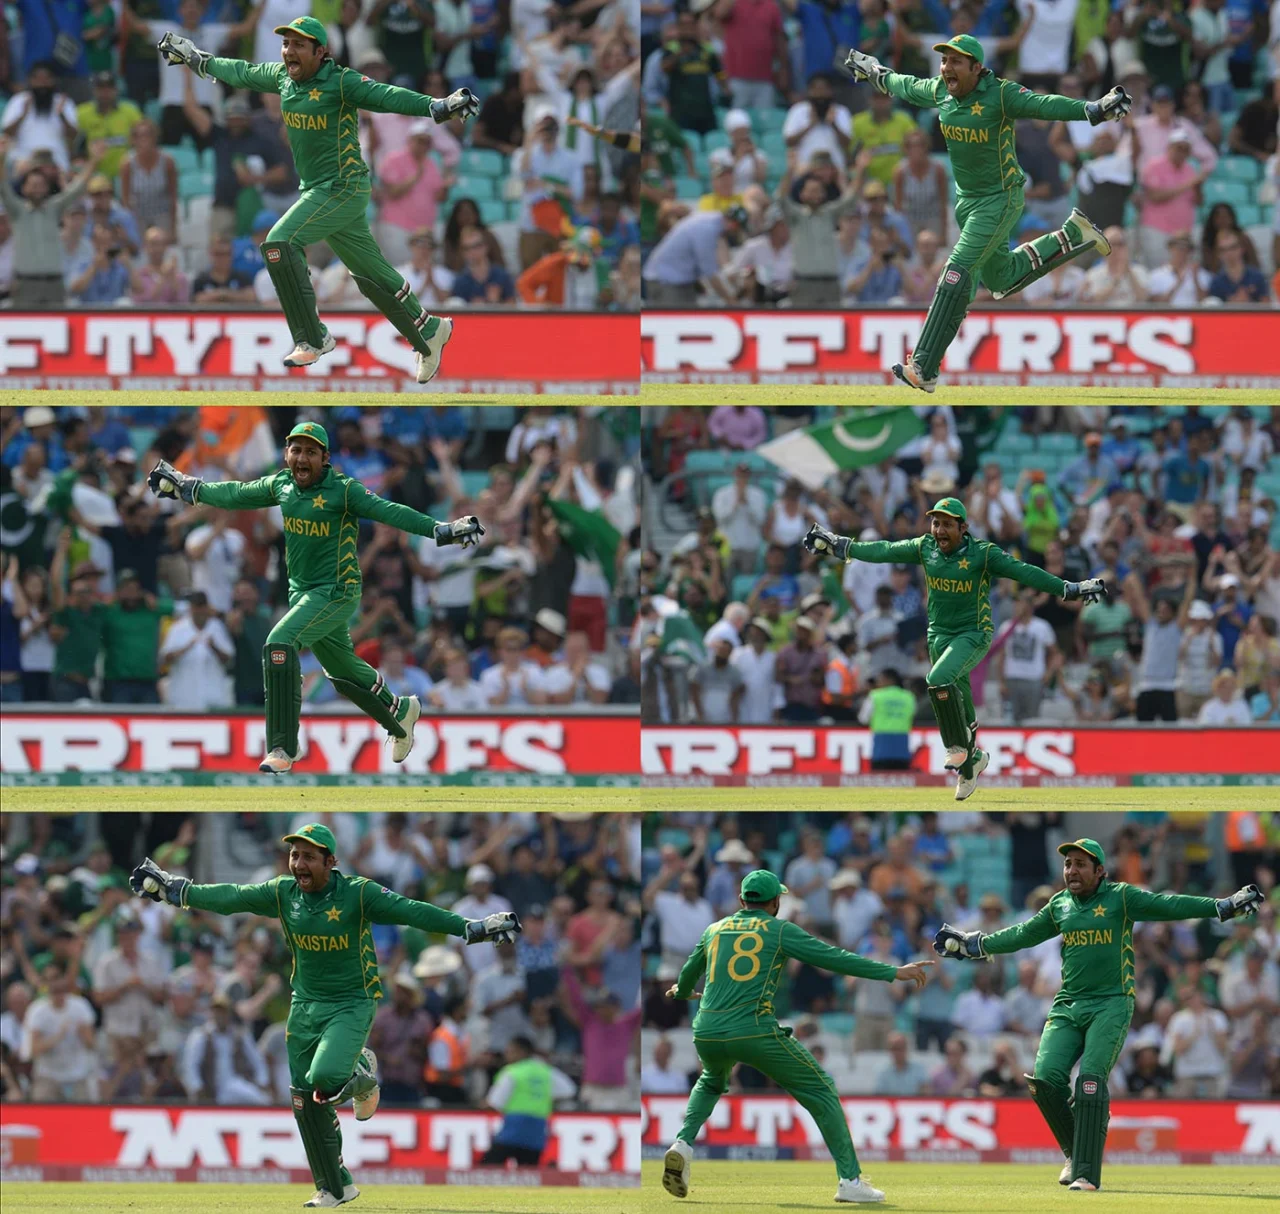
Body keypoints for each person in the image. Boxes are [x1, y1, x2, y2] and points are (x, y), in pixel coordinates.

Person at [130, 823, 520, 1210]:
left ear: (331, 862)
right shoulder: (283, 893)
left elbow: (411, 911)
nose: (299, 864)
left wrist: (469, 927)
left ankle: (361, 1071)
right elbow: (233, 896)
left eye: (309, 857)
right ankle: (334, 1189)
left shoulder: (358, 894)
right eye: (294, 855)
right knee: (307, 1101)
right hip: (304, 1005)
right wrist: (178, 890)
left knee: (326, 1079)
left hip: (352, 1002)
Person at [155, 15, 480, 382]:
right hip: (318, 190)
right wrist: (198, 59)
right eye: (285, 44)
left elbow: (386, 96)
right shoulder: (282, 77)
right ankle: (429, 332)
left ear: (320, 51)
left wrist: (435, 106)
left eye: (297, 45)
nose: (288, 51)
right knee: (370, 276)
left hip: (344, 188)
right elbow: (241, 71)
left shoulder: (341, 81)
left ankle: (313, 336)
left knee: (278, 242)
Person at [146, 421, 482, 774]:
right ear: (286, 454)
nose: (302, 458)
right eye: (296, 450)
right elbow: (235, 493)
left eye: (310, 451)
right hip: (302, 595)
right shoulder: (281, 484)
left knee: (279, 643)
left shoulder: (344, 490)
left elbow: (389, 511)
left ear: (325, 458)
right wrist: (188, 487)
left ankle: (282, 746)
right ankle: (399, 712)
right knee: (340, 672)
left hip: (337, 591)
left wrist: (439, 530)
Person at [932, 838, 1261, 1191]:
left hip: (1113, 1002)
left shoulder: (1121, 897)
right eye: (1068, 864)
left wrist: (1222, 907)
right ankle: (1075, 1152)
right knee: (1044, 1081)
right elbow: (1022, 934)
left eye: (1080, 864)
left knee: (1089, 1081)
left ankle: (1086, 1174)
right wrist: (975, 944)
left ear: (1099, 871)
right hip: (1069, 1003)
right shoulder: (1059, 905)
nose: (1071, 871)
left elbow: (1169, 905)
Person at [842, 36, 1131, 391]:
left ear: (976, 69)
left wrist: (1091, 109)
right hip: (968, 203)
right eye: (944, 61)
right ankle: (1075, 235)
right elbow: (904, 84)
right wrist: (876, 72)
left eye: (956, 62)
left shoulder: (1000, 94)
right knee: (1000, 279)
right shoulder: (940, 92)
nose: (946, 67)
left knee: (956, 270)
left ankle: (924, 366)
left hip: (1001, 199)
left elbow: (1044, 105)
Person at [662, 869, 934, 1205]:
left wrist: (683, 992)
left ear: (742, 899)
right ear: (775, 901)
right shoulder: (779, 930)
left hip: (706, 1030)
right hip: (752, 1029)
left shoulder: (714, 930)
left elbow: (687, 976)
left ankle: (683, 1143)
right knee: (821, 1089)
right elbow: (833, 958)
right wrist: (893, 972)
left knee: (710, 1081)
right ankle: (850, 1181)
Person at [804, 497, 1107, 800]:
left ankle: (957, 749)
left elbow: (1025, 571)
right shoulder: (925, 547)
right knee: (961, 706)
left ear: (963, 527)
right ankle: (971, 765)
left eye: (947, 524)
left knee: (937, 680)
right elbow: (884, 550)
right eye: (936, 523)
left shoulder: (983, 554)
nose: (939, 530)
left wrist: (1069, 588)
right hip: (938, 636)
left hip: (973, 634)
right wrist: (842, 545)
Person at [480, 1035, 576, 1165]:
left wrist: (481, 1105)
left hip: (514, 1128)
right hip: (537, 1129)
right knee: (529, 1174)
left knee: (489, 1165)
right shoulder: (546, 1070)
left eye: (510, 1051)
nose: (507, 1055)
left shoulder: (512, 1072)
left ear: (521, 1052)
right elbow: (569, 1089)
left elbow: (495, 1102)